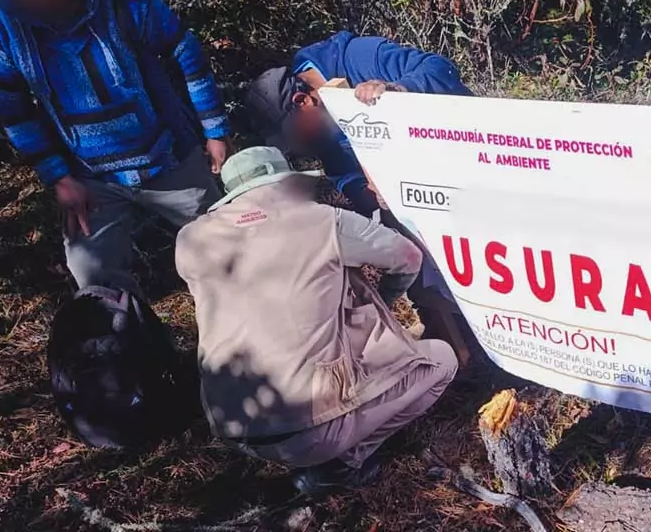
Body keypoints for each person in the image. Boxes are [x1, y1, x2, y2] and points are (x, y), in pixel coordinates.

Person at [0, 0, 229, 295]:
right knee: (93, 275)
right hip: (88, 175)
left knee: (227, 250)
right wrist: (60, 177)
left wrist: (214, 130)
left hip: (167, 154)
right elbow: (14, 110)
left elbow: (184, 51)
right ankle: (127, 343)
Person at [175, 147, 458, 495]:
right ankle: (340, 466)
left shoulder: (190, 239)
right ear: (285, 180)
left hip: (231, 424)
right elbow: (408, 257)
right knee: (442, 360)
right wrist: (385, 299)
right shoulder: (324, 220)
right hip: (309, 430)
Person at [239, 31, 472, 216]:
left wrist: (397, 90)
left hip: (468, 151)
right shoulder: (320, 131)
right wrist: (369, 195)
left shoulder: (357, 57)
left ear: (303, 101)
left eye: (297, 136)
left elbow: (442, 69)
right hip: (432, 203)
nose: (302, 147)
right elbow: (343, 174)